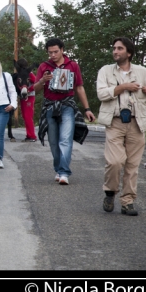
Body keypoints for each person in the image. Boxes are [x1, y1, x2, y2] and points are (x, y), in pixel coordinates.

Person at [97, 37, 146, 216]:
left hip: (137, 122)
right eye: (114, 48)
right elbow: (102, 94)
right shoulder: (105, 71)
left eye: (119, 48)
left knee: (132, 165)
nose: (115, 51)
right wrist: (123, 87)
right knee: (115, 161)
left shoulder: (143, 72)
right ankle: (110, 192)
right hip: (115, 121)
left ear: (129, 53)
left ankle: (128, 201)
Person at [34, 38, 95, 185]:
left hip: (67, 105)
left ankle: (63, 172)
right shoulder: (44, 66)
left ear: (62, 50)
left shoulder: (72, 65)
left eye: (56, 52)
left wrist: (87, 109)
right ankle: (59, 168)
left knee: (65, 139)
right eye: (50, 52)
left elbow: (79, 87)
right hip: (50, 106)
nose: (53, 55)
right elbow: (34, 90)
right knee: (53, 141)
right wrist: (43, 80)